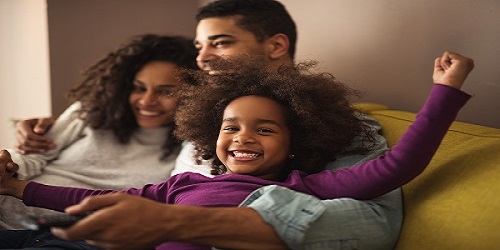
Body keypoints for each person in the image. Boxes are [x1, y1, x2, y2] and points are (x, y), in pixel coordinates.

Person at [10, 0, 404, 249]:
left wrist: (182, 221)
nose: (202, 58)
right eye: (199, 46)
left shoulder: (338, 127)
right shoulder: (203, 121)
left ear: (276, 46)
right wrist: (40, 139)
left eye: (220, 42)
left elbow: (372, 227)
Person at [0, 51, 474, 250]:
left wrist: (444, 91)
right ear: (211, 135)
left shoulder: (302, 186)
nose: (243, 138)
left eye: (264, 129)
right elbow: (90, 204)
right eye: (230, 128)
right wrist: (16, 187)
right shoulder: (181, 183)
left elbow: (398, 165)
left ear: (296, 144)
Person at [0, 34, 198, 230]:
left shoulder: (190, 150)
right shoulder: (91, 113)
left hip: (65, 236)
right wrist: (8, 166)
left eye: (165, 92)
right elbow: (31, 158)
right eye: (138, 88)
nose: (146, 101)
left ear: (195, 95)